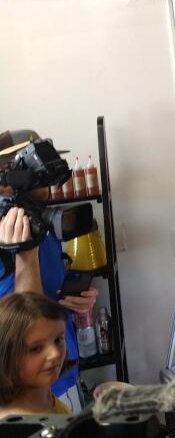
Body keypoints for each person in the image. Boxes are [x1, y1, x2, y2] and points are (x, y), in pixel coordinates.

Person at [0, 129, 98, 412]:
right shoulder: (13, 240)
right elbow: (27, 322)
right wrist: (24, 252)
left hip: (64, 376)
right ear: (8, 181)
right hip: (24, 395)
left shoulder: (40, 226)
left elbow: (51, 287)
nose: (49, 186)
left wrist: (77, 297)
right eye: (39, 176)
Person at [0, 292, 72, 418]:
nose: (54, 354)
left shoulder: (43, 394)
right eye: (36, 349)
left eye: (58, 340)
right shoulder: (17, 425)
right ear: (6, 356)